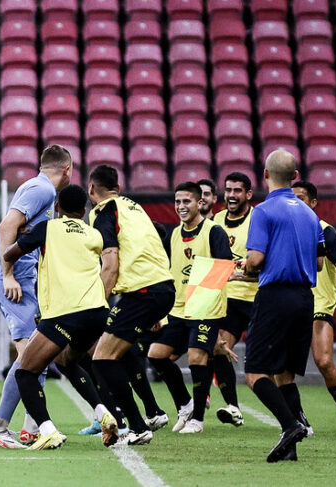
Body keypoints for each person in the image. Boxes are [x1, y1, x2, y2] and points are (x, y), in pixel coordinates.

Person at [4, 185, 115, 450]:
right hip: (97, 311)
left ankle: (47, 430)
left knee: (25, 373)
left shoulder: (48, 228)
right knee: (66, 361)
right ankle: (104, 413)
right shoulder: (94, 233)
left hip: (65, 312)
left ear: (57, 208)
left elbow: (10, 253)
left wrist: (20, 237)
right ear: (83, 210)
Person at [0, 144, 72, 448]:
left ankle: (32, 429)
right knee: (29, 358)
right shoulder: (42, 190)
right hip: (14, 280)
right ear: (67, 170)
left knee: (39, 356)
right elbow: (7, 225)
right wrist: (8, 273)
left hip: (23, 280)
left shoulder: (37, 188)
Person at [241, 149, 324, 463]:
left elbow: (257, 258)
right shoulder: (310, 213)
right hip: (304, 297)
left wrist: (246, 267)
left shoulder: (263, 211)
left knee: (255, 372)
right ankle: (290, 450)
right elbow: (317, 262)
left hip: (275, 296)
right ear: (296, 176)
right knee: (285, 375)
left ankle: (291, 425)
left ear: (265, 175)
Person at [88, 165, 176, 447]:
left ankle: (136, 427)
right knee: (118, 350)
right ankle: (151, 413)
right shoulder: (134, 207)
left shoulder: (104, 211)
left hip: (144, 291)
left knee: (102, 358)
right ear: (118, 187)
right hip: (161, 287)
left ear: (92, 189)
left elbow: (110, 265)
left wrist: (95, 306)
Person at [148, 181, 232, 434]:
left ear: (199, 203)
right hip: (178, 309)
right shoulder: (174, 234)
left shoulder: (213, 231)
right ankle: (185, 403)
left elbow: (223, 268)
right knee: (156, 355)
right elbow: (170, 273)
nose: (181, 206)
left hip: (205, 307)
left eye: (186, 201)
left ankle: (197, 419)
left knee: (197, 357)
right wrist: (159, 312)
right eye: (177, 202)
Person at [292, 180, 336, 437]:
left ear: (313, 203)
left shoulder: (326, 231)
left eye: (301, 198)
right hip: (290, 303)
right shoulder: (284, 231)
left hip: (319, 303)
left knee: (323, 361)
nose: (295, 204)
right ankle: (297, 418)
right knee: (279, 367)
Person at [212, 172, 256, 427]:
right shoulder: (217, 220)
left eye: (237, 190)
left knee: (268, 362)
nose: (231, 195)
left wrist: (240, 273)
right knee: (219, 349)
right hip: (229, 300)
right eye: (228, 190)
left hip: (257, 299)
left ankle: (296, 414)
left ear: (248, 194)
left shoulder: (257, 219)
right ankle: (233, 407)